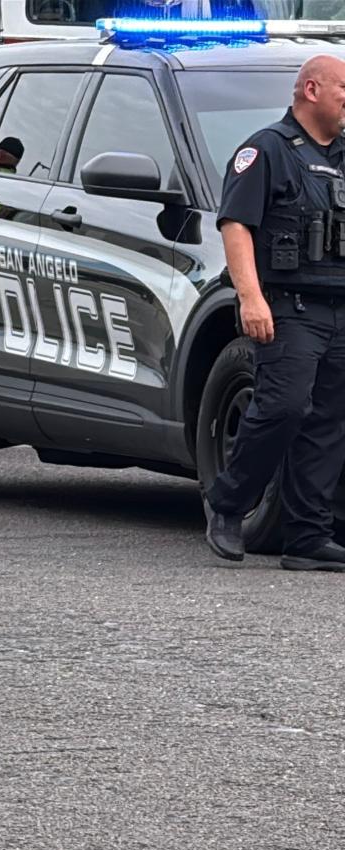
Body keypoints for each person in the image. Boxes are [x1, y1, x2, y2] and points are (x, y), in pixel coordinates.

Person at [204, 54, 345, 571]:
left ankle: (308, 536)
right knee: (283, 409)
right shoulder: (265, 151)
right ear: (311, 90)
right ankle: (227, 503)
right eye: (342, 90)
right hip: (290, 307)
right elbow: (236, 225)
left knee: (330, 421)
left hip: (340, 306)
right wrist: (250, 297)